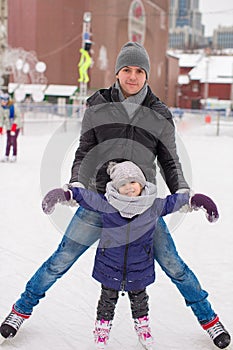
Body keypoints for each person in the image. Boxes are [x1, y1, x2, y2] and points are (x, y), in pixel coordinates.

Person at [0, 42, 231, 349]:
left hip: (141, 206)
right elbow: (84, 151)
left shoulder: (159, 113)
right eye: (126, 70)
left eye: (139, 71)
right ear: (118, 72)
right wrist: (75, 186)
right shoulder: (97, 104)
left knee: (174, 265)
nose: (132, 77)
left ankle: (210, 320)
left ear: (146, 74)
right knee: (60, 260)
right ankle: (20, 310)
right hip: (99, 201)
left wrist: (184, 194)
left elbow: (170, 160)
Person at [41, 161, 219, 349]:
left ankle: (142, 327)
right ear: (116, 187)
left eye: (133, 182)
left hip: (139, 266)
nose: (128, 188)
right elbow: (85, 197)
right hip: (109, 266)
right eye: (123, 184)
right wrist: (63, 194)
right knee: (107, 301)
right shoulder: (107, 204)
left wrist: (197, 200)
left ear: (142, 183)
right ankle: (102, 328)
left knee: (140, 301)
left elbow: (173, 202)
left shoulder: (152, 206)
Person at [0, 93, 22, 162]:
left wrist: (14, 125)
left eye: (3, 101)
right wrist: (0, 128)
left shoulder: (13, 106)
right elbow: (1, 119)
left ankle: (14, 155)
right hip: (8, 127)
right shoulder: (1, 108)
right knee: (8, 141)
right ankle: (6, 155)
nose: (2, 102)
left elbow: (18, 117)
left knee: (13, 140)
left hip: (16, 126)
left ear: (7, 101)